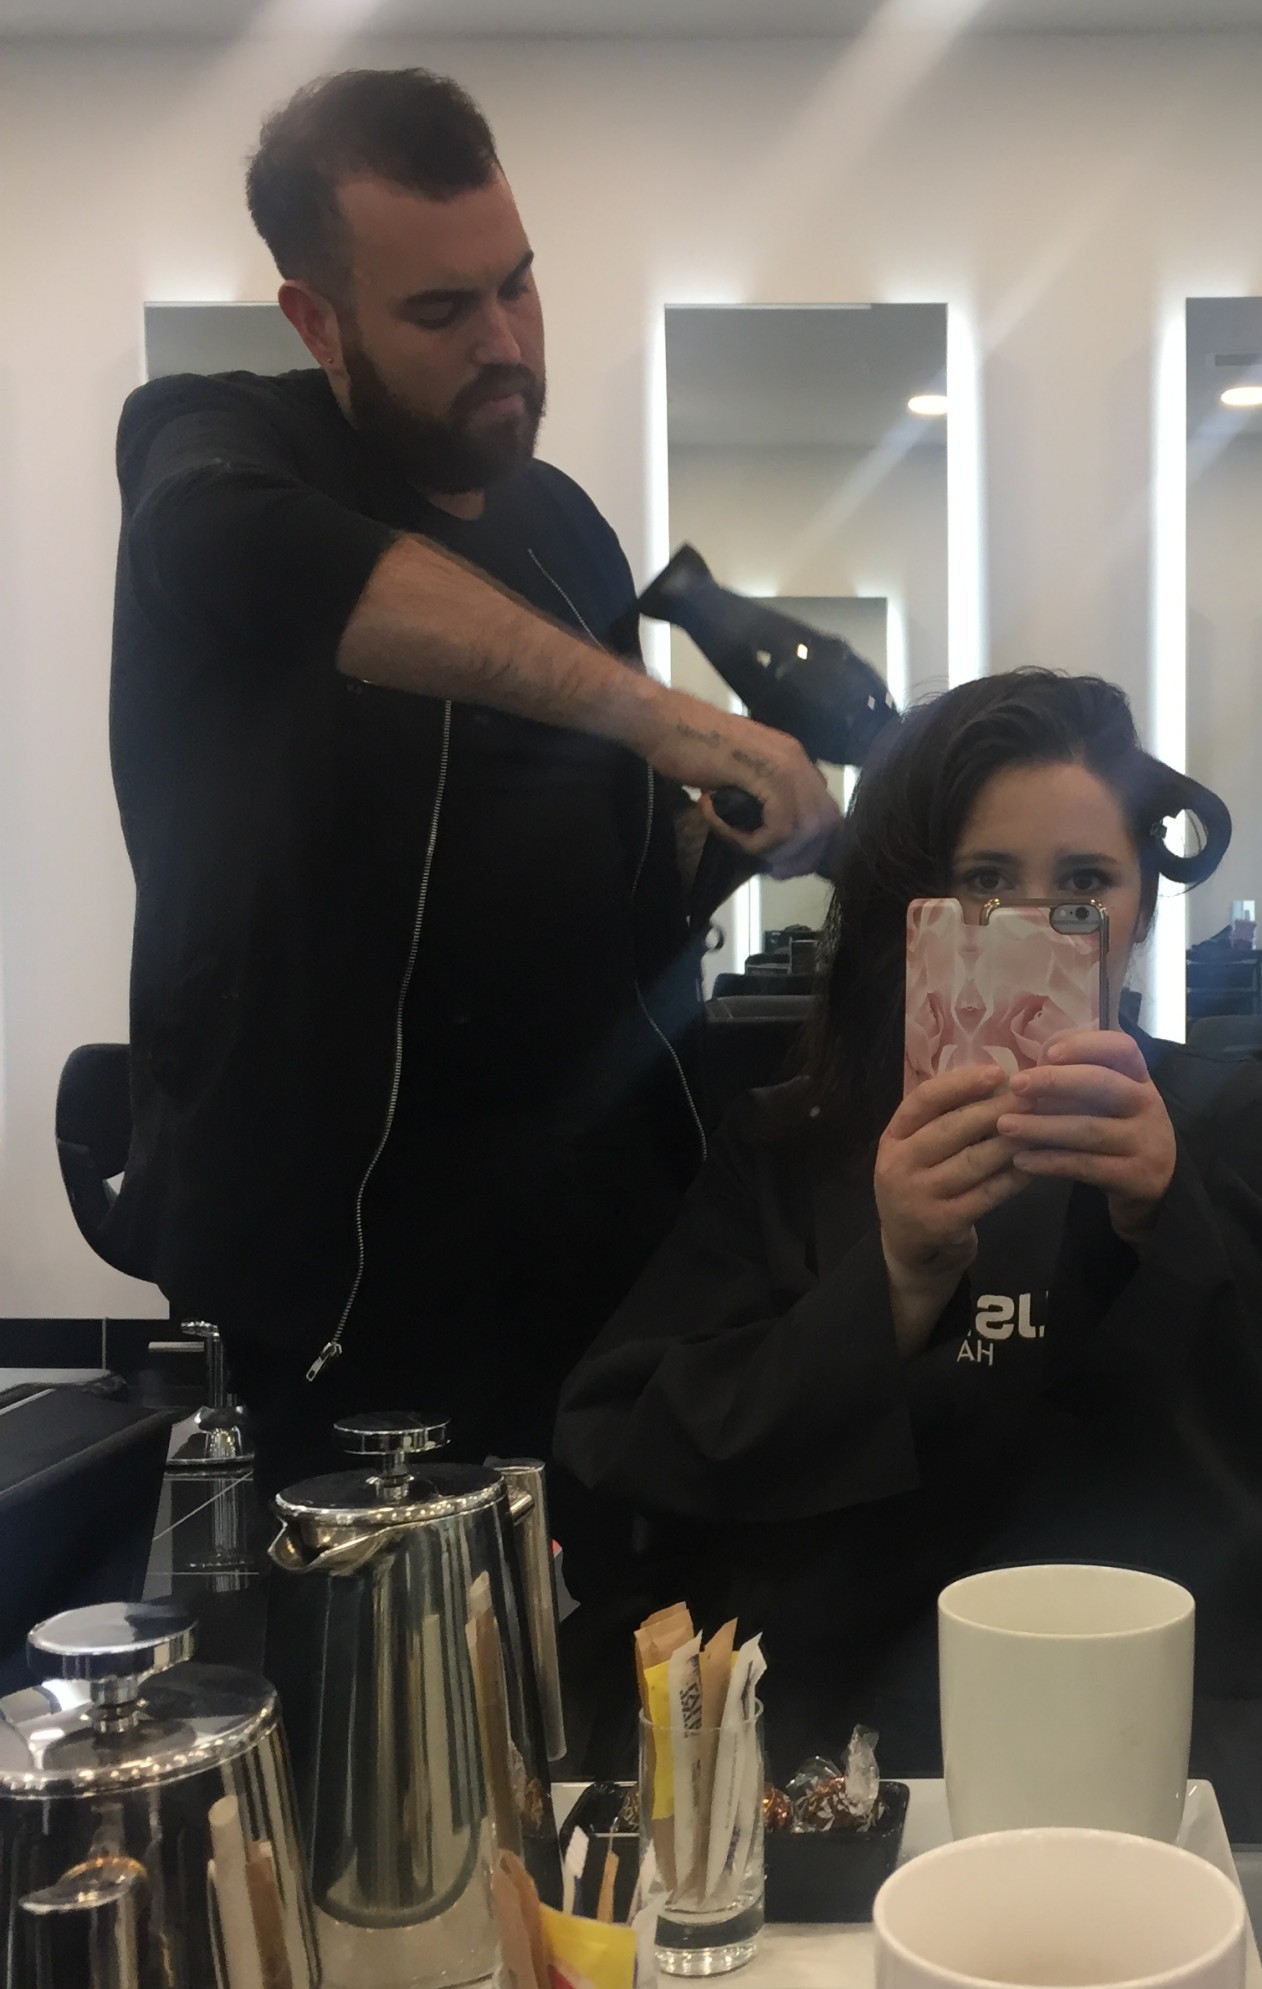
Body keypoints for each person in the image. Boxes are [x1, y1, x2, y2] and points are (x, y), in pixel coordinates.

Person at [555, 670, 1262, 1823]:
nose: (1035, 923)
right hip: (861, 1769)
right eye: (985, 881)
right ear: (914, 910)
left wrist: (1179, 1218)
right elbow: (621, 1456)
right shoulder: (796, 1151)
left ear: (1140, 903)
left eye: (1084, 882)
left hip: (1209, 1751)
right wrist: (889, 1286)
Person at [107, 68, 838, 1489]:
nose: (503, 342)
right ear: (316, 320)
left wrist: (726, 840)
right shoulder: (214, 448)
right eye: (441, 310)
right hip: (344, 1283)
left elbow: (616, 902)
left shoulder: (565, 530)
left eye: (517, 285)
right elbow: (277, 562)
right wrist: (664, 719)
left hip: (604, 1251)